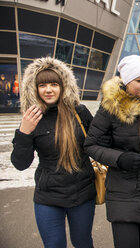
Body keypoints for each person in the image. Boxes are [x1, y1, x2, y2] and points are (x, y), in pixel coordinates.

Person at [84, 55, 140, 248]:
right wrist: (120, 158)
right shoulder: (111, 107)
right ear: (126, 81)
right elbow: (91, 145)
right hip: (123, 193)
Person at [10, 57, 96, 248]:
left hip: (82, 193)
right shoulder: (32, 117)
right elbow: (20, 163)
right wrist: (24, 132)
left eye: (54, 84)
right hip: (48, 197)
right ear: (35, 88)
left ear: (63, 86)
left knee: (83, 242)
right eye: (42, 85)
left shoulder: (80, 112)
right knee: (54, 244)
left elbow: (99, 144)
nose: (48, 89)